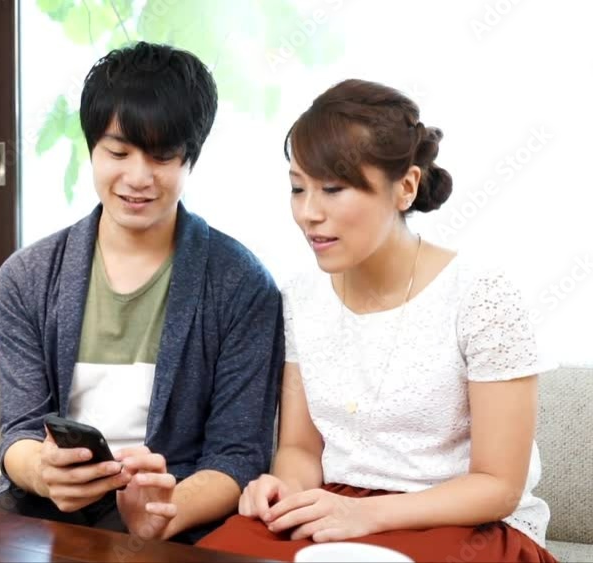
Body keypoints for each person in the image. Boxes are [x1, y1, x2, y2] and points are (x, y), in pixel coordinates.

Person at [197, 79, 558, 562]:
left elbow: (498, 486)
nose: (308, 213)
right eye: (298, 188)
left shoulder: (481, 297)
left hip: (467, 522)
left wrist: (367, 515)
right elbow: (300, 449)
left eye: (333, 189)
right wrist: (284, 488)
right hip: (338, 507)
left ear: (405, 187)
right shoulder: (300, 297)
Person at [0, 42, 284, 544]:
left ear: (191, 158)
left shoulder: (242, 283)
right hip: (47, 507)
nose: (138, 178)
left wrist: (166, 510)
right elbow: (20, 431)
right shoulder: (27, 277)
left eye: (162, 156)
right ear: (92, 149)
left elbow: (238, 455)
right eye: (118, 153)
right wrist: (44, 472)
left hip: (177, 506)